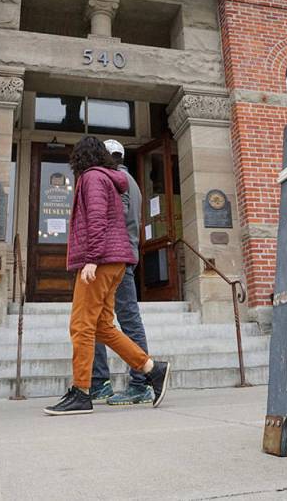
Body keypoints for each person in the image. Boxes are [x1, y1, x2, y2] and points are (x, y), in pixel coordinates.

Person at [44, 136, 171, 416]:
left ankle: (81, 391)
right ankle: (152, 368)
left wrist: (91, 259)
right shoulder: (110, 179)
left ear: (81, 157)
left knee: (81, 325)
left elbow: (98, 219)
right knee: (102, 325)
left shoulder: (92, 177)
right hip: (116, 261)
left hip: (101, 261)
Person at [89, 139, 154, 406]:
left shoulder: (117, 181)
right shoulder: (130, 180)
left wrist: (92, 255)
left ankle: (140, 383)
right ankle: (100, 382)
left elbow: (115, 217)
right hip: (123, 256)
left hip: (116, 258)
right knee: (98, 320)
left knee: (127, 319)